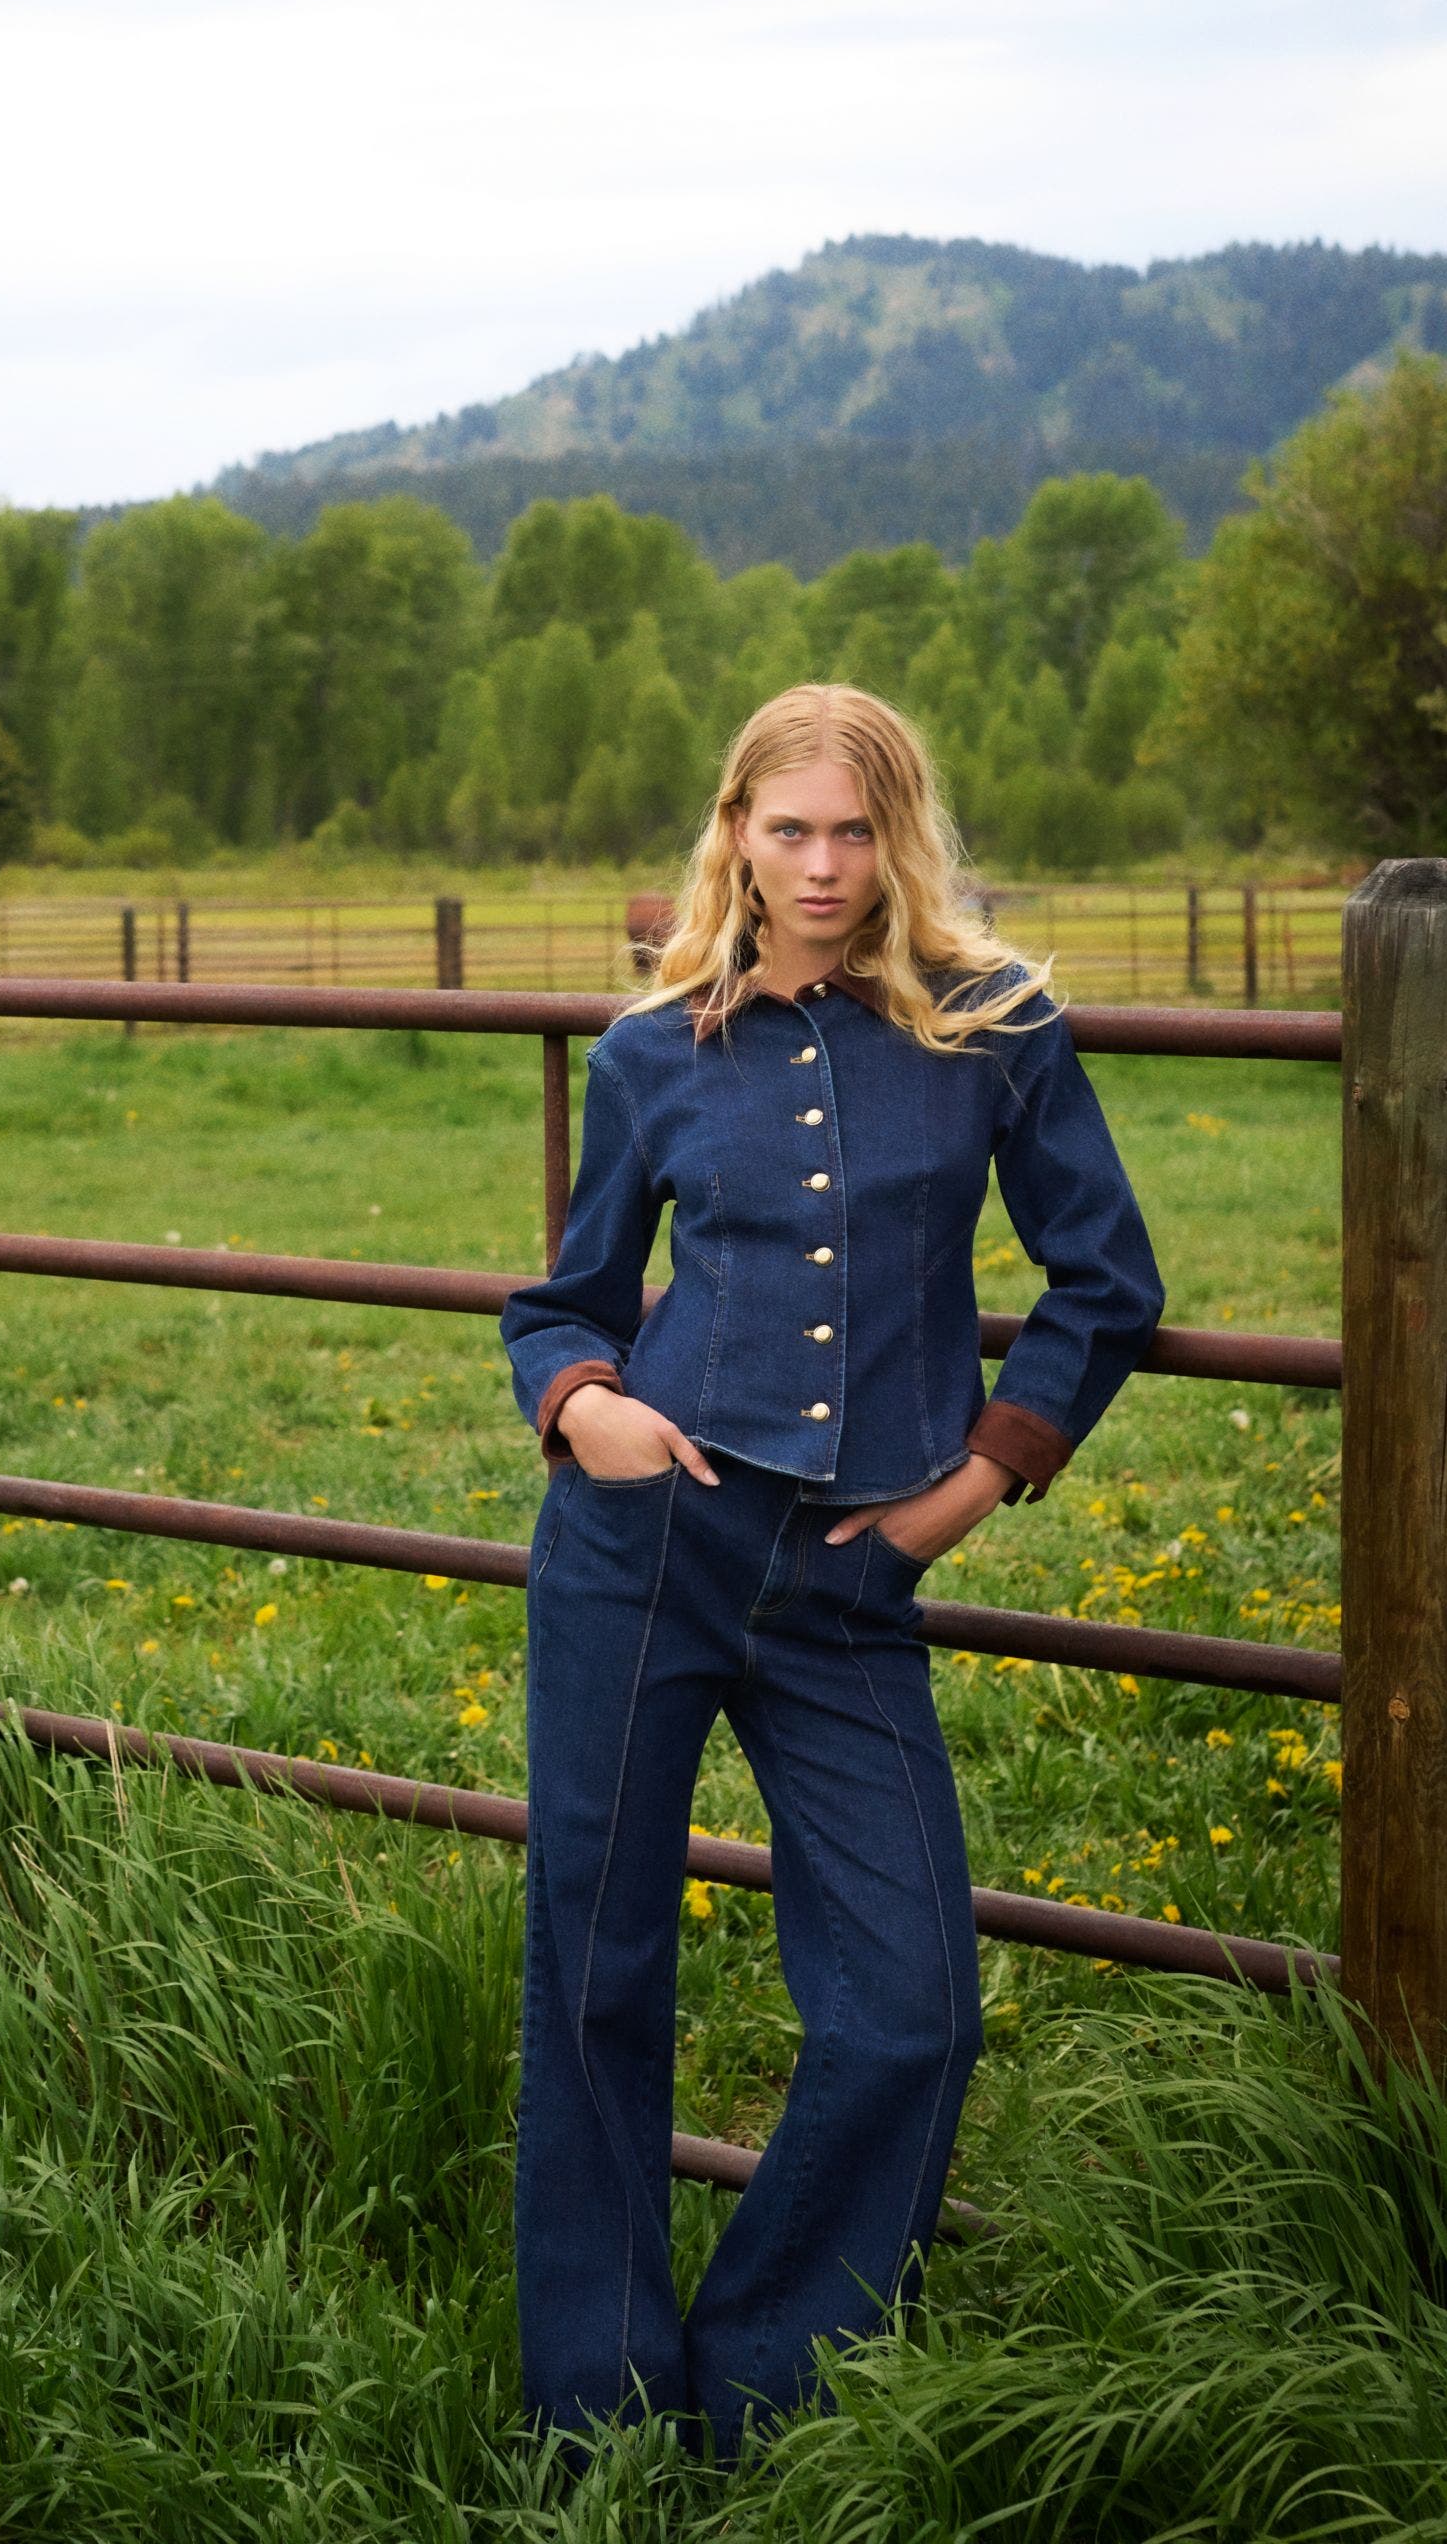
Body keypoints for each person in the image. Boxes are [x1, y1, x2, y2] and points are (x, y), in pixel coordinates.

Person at [501, 682, 1163, 2454]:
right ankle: (596, 2414)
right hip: (642, 1548)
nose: (817, 865)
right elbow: (563, 1299)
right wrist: (583, 1407)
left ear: (900, 837)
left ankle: (765, 2391)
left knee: (909, 2010)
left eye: (851, 832)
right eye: (783, 829)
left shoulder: (994, 1028)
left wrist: (971, 1485)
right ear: (732, 832)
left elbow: (1106, 1282)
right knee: (596, 1964)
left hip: (849, 1582)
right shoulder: (655, 1051)